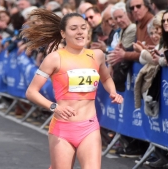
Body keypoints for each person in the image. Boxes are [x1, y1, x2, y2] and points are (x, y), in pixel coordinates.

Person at [22, 9, 123, 169]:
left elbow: (106, 78)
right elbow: (31, 91)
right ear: (63, 33)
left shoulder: (96, 55)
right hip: (63, 127)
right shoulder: (54, 58)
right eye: (73, 28)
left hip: (89, 127)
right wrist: (54, 107)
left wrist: (112, 92)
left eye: (83, 27)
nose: (80, 32)